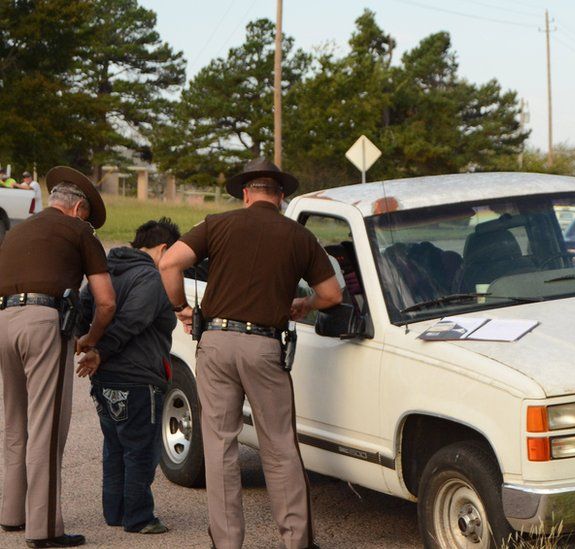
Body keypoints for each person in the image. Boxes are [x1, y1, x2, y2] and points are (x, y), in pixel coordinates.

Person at [159, 157, 341, 549]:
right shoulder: (299, 236)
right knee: (279, 446)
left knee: (220, 446)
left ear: (245, 194)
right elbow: (332, 295)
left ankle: (226, 542)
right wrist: (305, 304)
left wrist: (181, 308)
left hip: (216, 343)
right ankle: (297, 540)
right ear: (281, 196)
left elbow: (169, 263)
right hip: (264, 346)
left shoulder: (216, 224)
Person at [0, 166, 116, 548]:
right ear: (79, 208)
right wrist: (90, 339)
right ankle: (44, 527)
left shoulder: (18, 230)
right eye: (87, 216)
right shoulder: (79, 231)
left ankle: (12, 514)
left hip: (4, 321)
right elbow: (106, 301)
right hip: (43, 323)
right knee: (47, 428)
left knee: (15, 422)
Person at [77, 218, 181, 535]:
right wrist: (100, 350)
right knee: (140, 450)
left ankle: (115, 511)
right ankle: (139, 517)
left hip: (104, 377)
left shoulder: (107, 271)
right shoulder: (150, 278)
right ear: (164, 248)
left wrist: (89, 343)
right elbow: (132, 321)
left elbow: (84, 306)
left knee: (115, 446)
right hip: (138, 378)